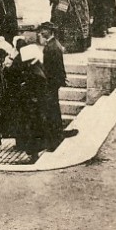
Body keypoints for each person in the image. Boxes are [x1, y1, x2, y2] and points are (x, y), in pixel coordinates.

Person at [37, 22, 78, 150]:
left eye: (44, 30)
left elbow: (54, 68)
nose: (41, 33)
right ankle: (57, 134)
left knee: (51, 110)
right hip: (53, 82)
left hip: (51, 82)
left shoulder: (52, 47)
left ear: (50, 31)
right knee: (53, 108)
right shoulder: (53, 44)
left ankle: (54, 139)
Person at [13, 44, 50, 163]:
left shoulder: (34, 73)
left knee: (32, 131)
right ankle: (33, 155)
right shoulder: (38, 68)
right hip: (35, 106)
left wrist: (24, 89)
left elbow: (35, 89)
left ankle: (33, 156)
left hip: (32, 107)